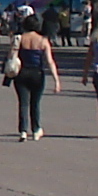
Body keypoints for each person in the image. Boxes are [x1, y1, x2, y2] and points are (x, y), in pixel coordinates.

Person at [10, 8, 60, 140]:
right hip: (37, 73)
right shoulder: (43, 40)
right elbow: (50, 61)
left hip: (21, 72)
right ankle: (36, 129)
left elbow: (12, 55)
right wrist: (56, 80)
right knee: (35, 103)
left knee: (23, 103)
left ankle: (23, 130)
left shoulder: (20, 39)